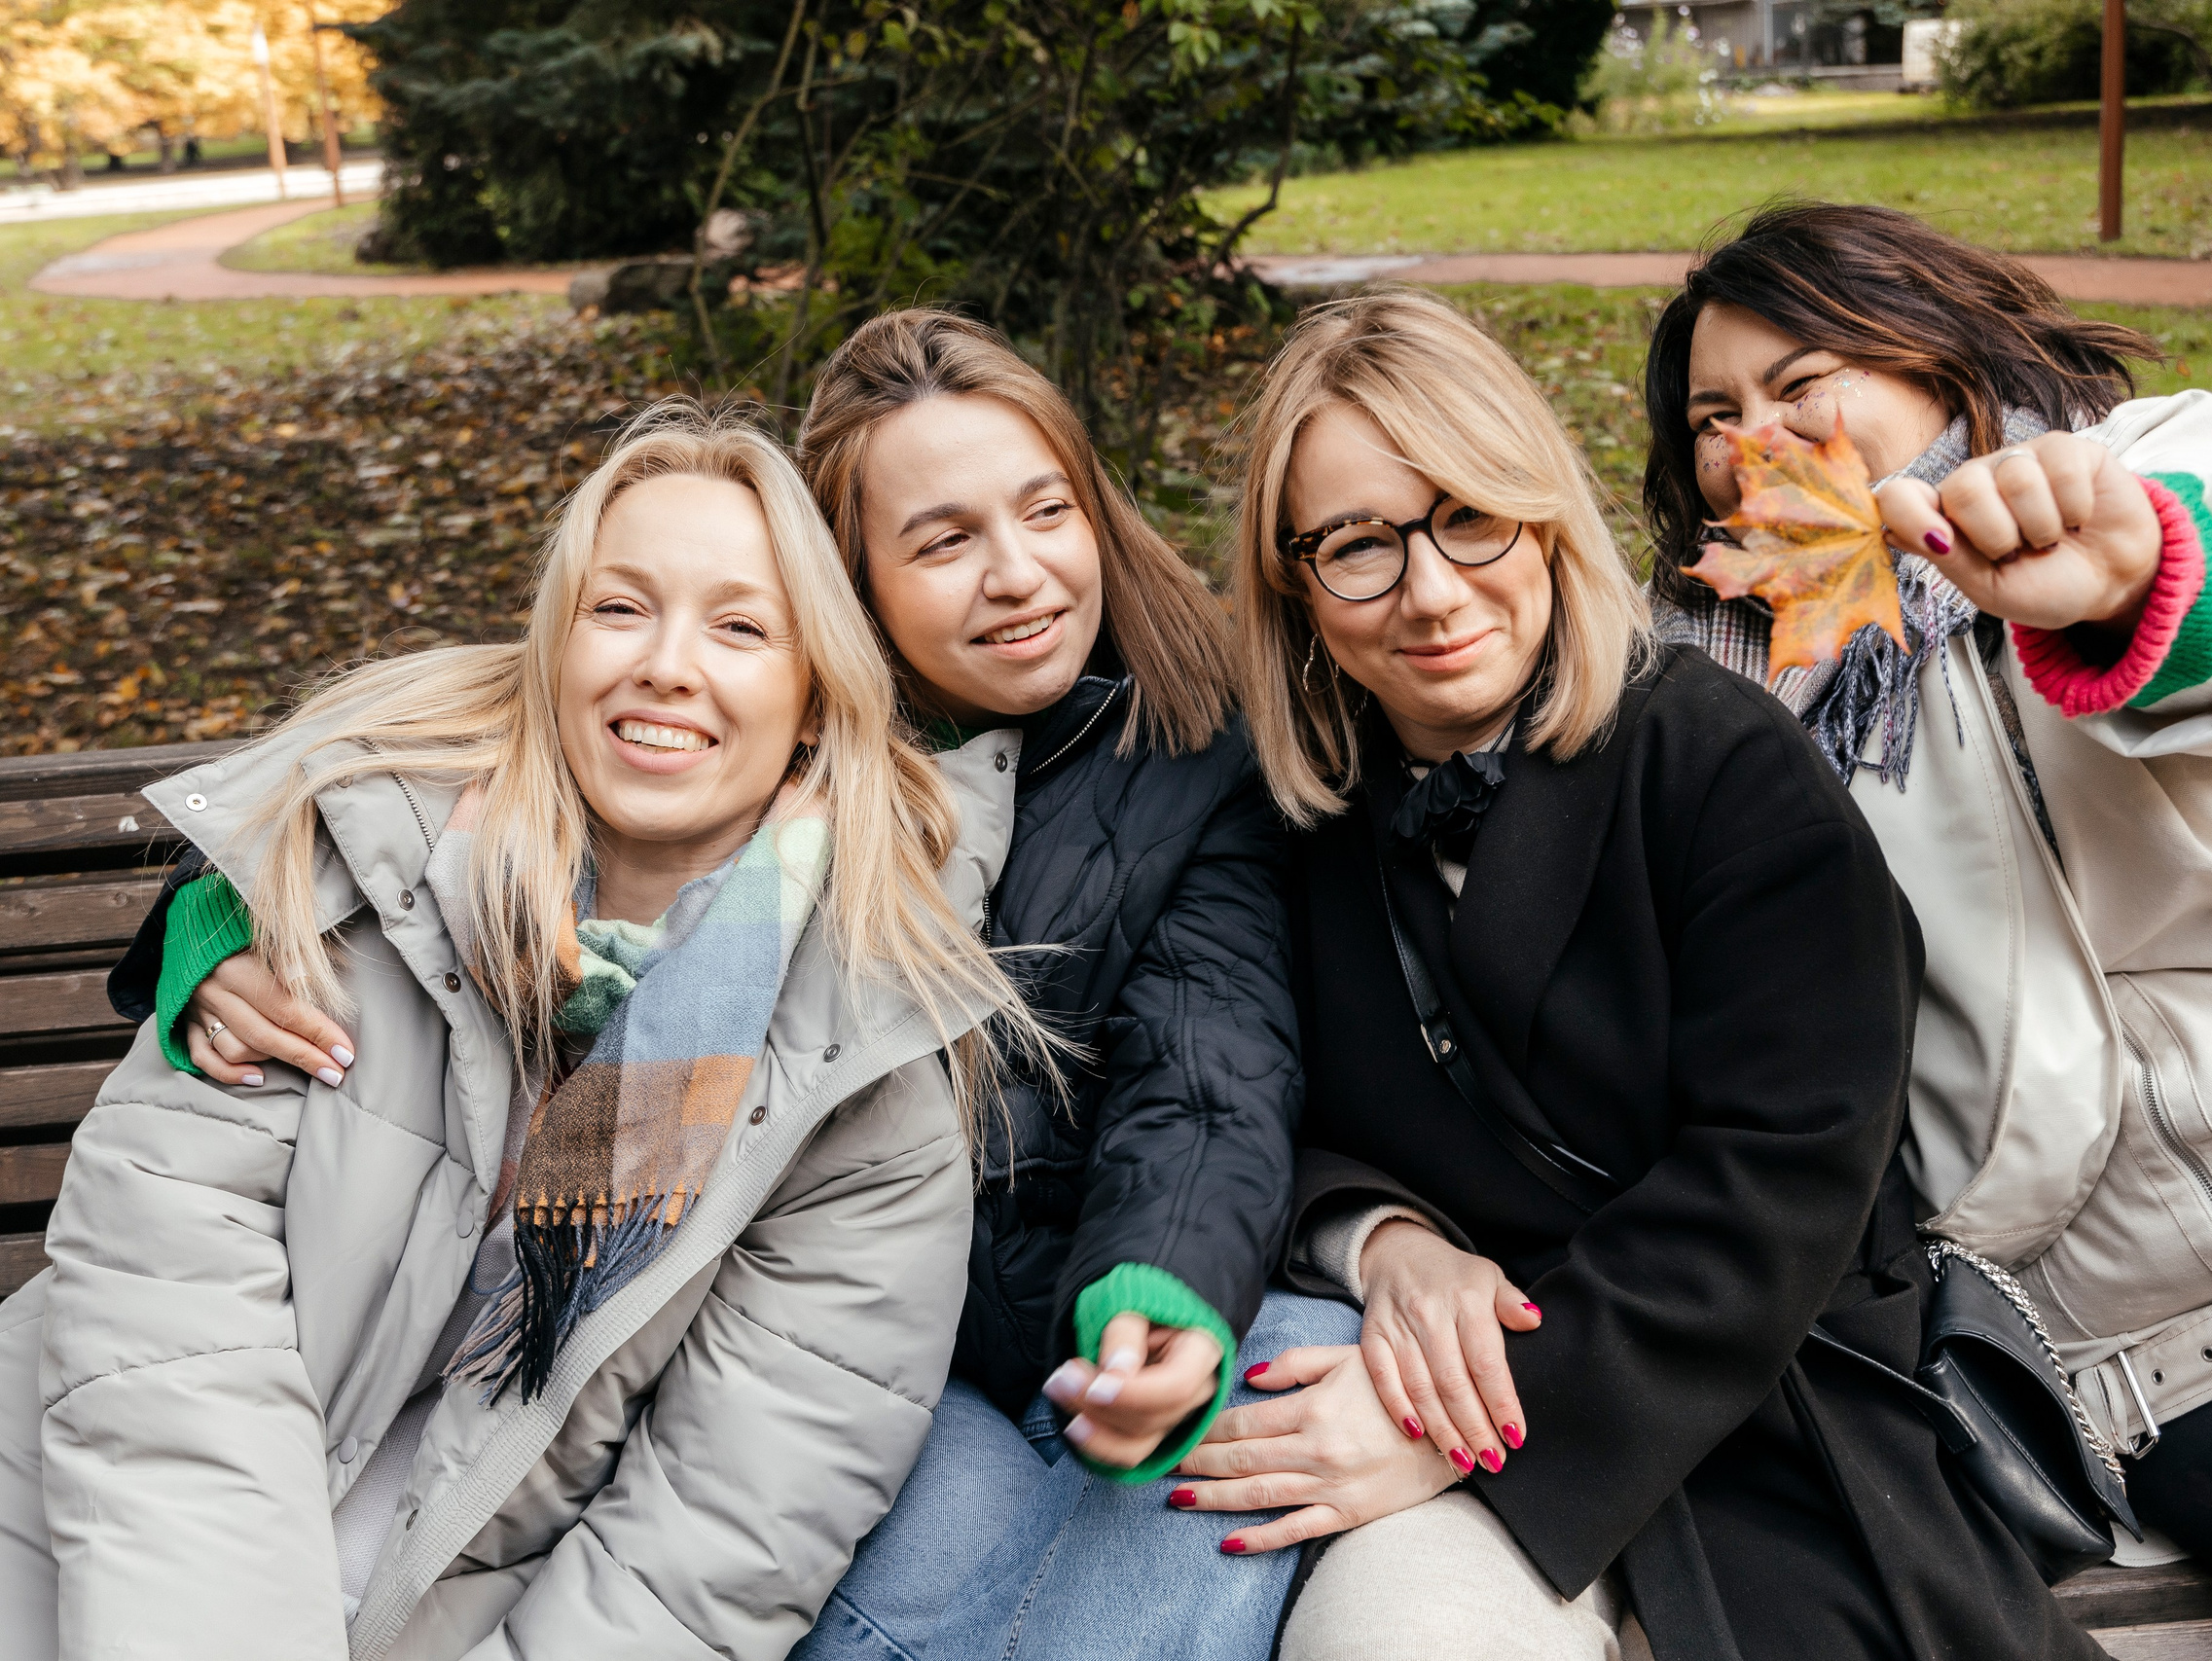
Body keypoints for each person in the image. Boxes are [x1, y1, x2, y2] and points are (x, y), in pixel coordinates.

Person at [116, 312, 1329, 1660]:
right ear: (846, 595)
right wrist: (222, 905)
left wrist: (1159, 1277)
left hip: (993, 1314)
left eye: (1048, 511)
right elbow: (398, 795)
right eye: (941, 541)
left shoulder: (1161, 761)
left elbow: (1205, 1070)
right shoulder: (662, 766)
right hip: (779, 1367)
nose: (1017, 575)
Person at [0, 402, 1039, 1659]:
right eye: (620, 608)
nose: (666, 662)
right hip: (85, 1538)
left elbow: (708, 1547)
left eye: (740, 627)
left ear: (814, 702)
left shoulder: (863, 1081)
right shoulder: (340, 880)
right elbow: (162, 1327)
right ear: (553, 649)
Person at [1187, 288, 2101, 1661]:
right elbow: (1257, 1099)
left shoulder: (1718, 763)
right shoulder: (1298, 817)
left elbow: (1788, 1174)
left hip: (1759, 1396)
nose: (1431, 592)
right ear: (1296, 587)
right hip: (1456, 1372)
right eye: (1359, 547)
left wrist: (1486, 1420)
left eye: (1467, 517)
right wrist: (1385, 1241)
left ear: (1542, 514)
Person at [1640, 202, 2212, 1661]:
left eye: (1801, 382)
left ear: (1935, 350)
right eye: (1713, 414)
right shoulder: (1721, 702)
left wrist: (2124, 594)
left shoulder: (2150, 468)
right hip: (2192, 1332)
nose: (1747, 439)